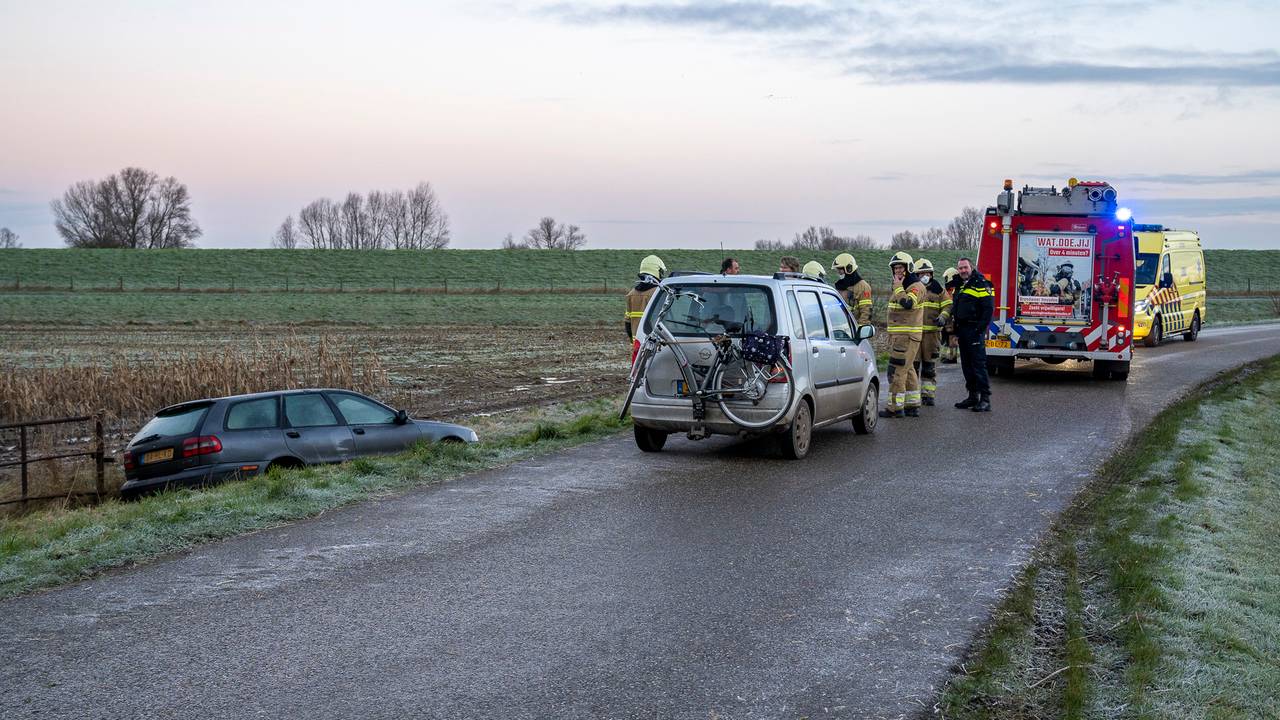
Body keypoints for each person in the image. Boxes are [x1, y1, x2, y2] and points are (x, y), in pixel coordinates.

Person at [881, 252, 927, 418]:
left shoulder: (915, 286)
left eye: (900, 267)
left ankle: (894, 408)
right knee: (908, 370)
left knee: (897, 371)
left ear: (908, 268)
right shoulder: (903, 285)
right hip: (902, 337)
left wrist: (898, 288)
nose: (897, 271)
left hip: (905, 338)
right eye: (895, 268)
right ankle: (912, 405)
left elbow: (908, 303)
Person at [952, 257, 995, 412]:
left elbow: (988, 309)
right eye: (960, 268)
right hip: (963, 331)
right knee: (966, 366)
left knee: (978, 365)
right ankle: (972, 396)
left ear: (972, 267)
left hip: (974, 331)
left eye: (965, 267)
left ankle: (985, 399)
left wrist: (979, 330)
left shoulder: (981, 283)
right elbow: (957, 310)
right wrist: (956, 332)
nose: (963, 270)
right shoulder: (961, 285)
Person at [913, 259, 951, 406]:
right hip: (915, 335)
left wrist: (943, 317)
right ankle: (913, 395)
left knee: (929, 367)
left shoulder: (939, 290)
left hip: (932, 336)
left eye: (927, 273)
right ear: (916, 274)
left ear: (932, 274)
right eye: (922, 273)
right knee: (913, 367)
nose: (925, 275)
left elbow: (948, 306)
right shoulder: (912, 289)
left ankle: (928, 395)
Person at [625, 255, 666, 342]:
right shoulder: (658, 293)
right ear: (656, 271)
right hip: (655, 344)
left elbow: (628, 323)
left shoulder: (631, 294)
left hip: (638, 345)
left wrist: (633, 341)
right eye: (661, 272)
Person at [831, 252, 873, 326]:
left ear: (849, 268)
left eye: (840, 270)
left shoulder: (863, 287)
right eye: (837, 270)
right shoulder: (839, 286)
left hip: (853, 328)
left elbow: (866, 312)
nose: (838, 273)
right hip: (839, 327)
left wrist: (860, 331)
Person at [940, 267, 960, 364]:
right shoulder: (953, 288)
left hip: (951, 318)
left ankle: (951, 357)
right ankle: (947, 356)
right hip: (950, 317)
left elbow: (950, 302)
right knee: (948, 337)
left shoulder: (953, 289)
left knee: (951, 338)